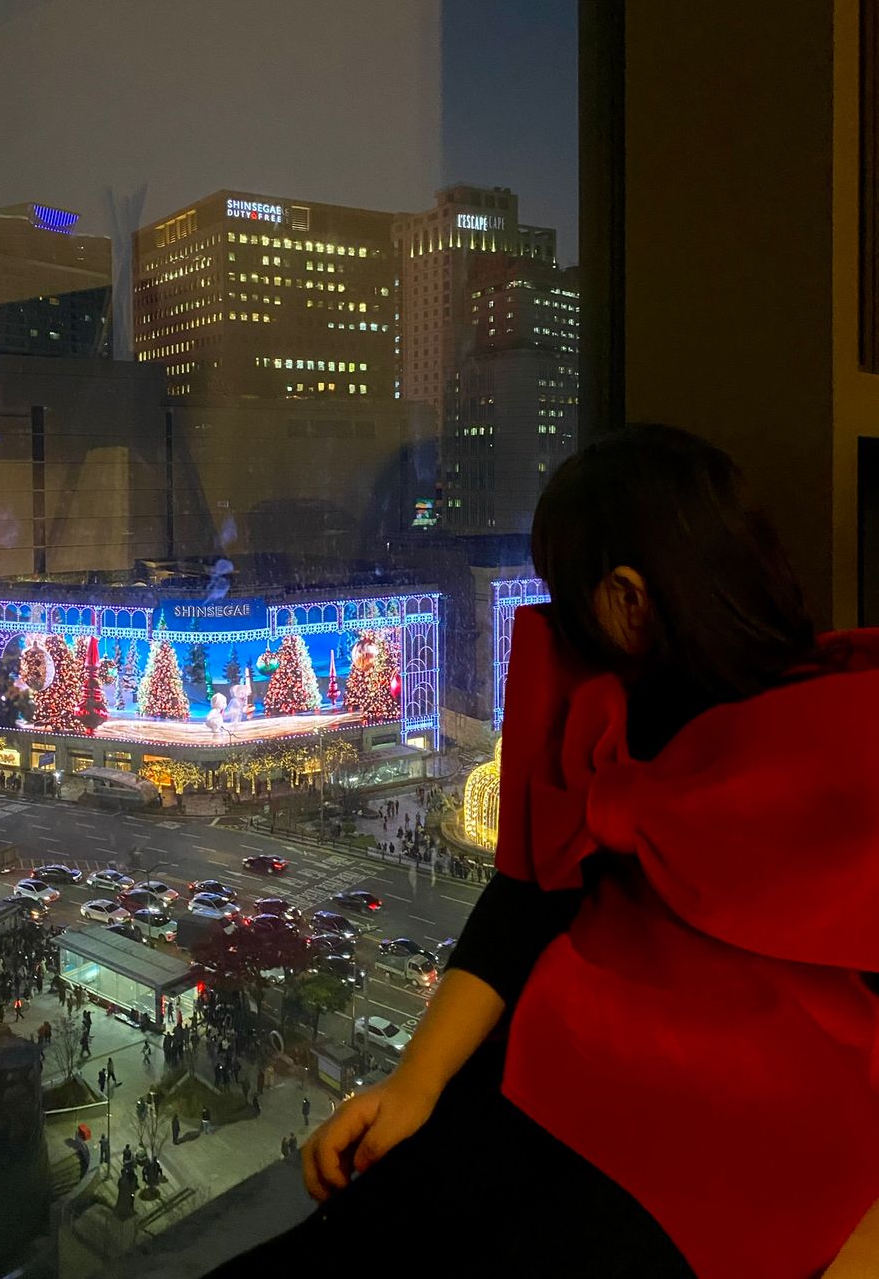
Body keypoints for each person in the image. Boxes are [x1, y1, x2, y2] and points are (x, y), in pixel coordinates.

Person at [201, 423, 879, 1278]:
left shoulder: (834, 736)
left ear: (628, 599)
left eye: (564, 591)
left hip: (736, 1142)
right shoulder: (633, 715)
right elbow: (527, 895)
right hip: (575, 1076)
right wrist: (415, 1082)